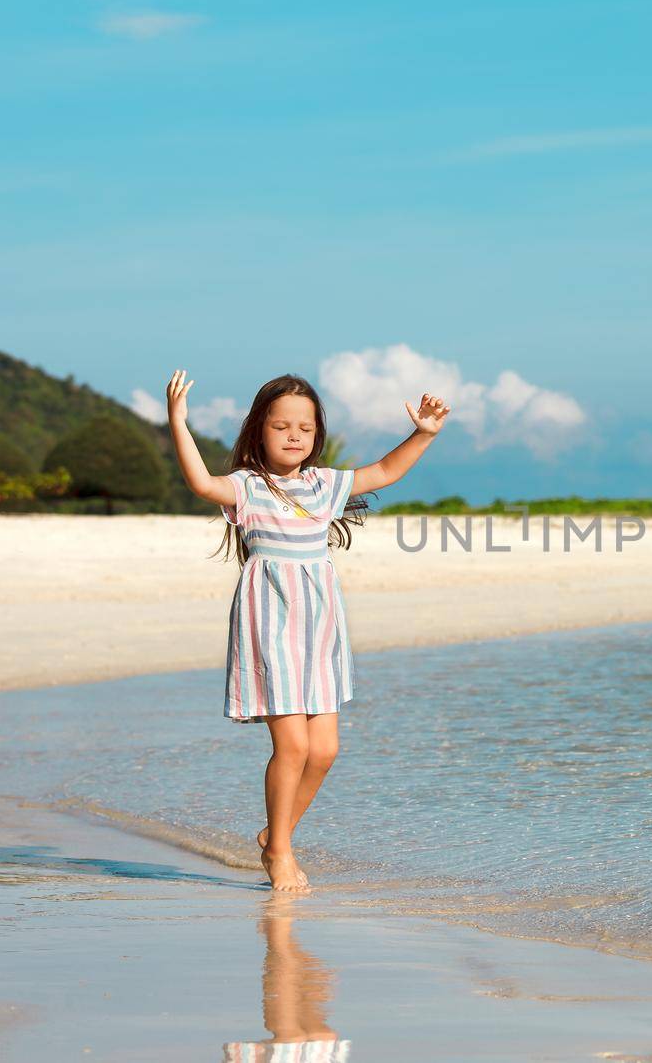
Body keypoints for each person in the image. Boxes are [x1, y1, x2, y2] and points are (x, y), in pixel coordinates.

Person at [166, 370, 450, 892]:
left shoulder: (324, 485)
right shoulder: (247, 488)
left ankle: (274, 835)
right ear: (259, 431)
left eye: (305, 426)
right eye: (281, 426)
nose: (294, 435)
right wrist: (178, 423)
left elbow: (385, 471)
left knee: (324, 751)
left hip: (320, 628)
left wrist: (424, 434)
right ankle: (280, 852)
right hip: (269, 623)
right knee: (292, 747)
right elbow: (201, 483)